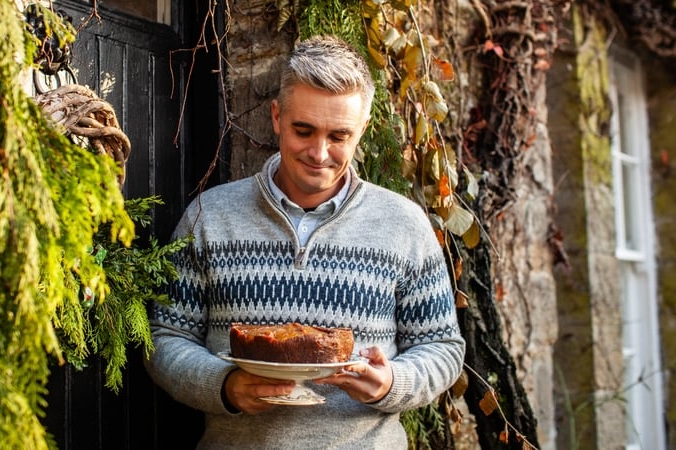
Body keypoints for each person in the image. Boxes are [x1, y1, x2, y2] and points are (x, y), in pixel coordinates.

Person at [144, 34, 465, 449]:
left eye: (339, 136)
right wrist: (224, 387)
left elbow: (442, 348)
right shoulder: (211, 216)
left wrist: (392, 384)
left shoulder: (403, 225)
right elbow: (165, 339)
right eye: (303, 130)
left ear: (362, 130)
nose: (319, 152)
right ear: (277, 117)